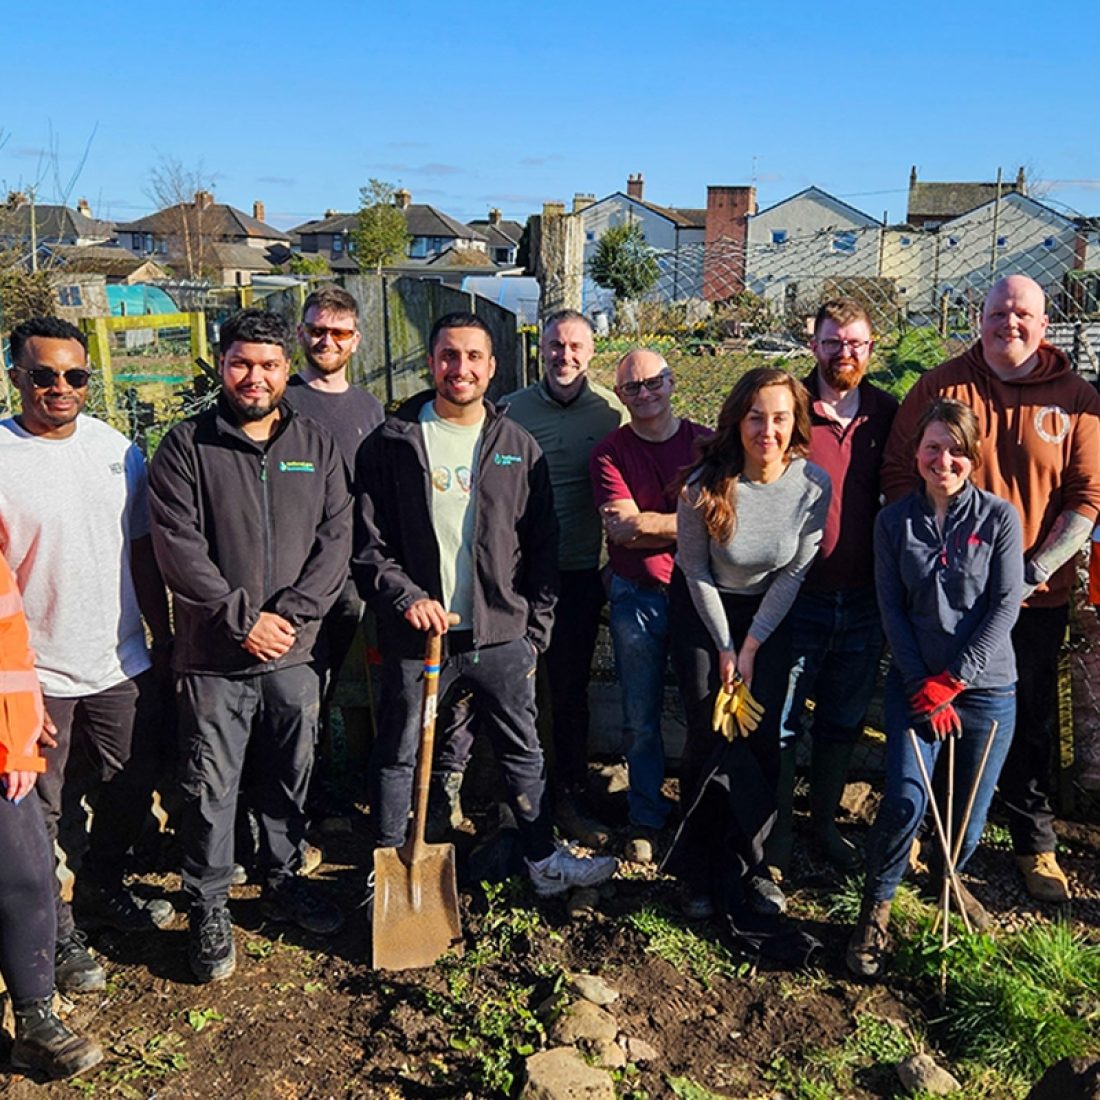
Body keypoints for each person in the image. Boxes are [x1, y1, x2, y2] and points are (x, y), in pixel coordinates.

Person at [353, 311, 616, 897]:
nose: (461, 368)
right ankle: (393, 872)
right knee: (398, 752)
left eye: (474, 357)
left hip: (500, 637)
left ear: (493, 368)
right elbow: (366, 545)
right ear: (431, 362)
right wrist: (407, 599)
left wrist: (533, 632)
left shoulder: (515, 446)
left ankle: (545, 862)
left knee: (524, 750)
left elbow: (543, 546)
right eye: (449, 355)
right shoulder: (393, 443)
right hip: (419, 638)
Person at [880, 275, 1100, 903]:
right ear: (979, 318)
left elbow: (1086, 498)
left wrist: (1031, 570)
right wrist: (926, 556)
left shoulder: (1075, 398)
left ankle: (1034, 842)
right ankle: (923, 831)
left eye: (1022, 313)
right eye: (999, 312)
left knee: (1025, 718)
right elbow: (901, 472)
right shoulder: (940, 386)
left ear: (1045, 322)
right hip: (941, 600)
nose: (1010, 323)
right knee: (933, 710)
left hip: (1033, 597)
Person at [149, 308, 352, 983]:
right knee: (211, 783)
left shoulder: (316, 445)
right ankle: (207, 905)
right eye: (241, 363)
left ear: (285, 368)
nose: (254, 377)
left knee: (289, 773)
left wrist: (289, 617)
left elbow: (336, 540)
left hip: (293, 654)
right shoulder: (186, 447)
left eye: (267, 365)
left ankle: (284, 876)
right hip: (214, 658)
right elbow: (179, 550)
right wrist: (243, 620)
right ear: (221, 364)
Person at [0, 316, 174, 999]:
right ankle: (59, 928)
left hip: (119, 659)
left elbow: (141, 551)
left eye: (75, 376)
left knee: (132, 778)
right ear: (17, 375)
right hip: (36, 673)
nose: (60, 388)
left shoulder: (115, 450)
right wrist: (15, 693)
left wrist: (159, 639)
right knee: (41, 810)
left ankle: (104, 884)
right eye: (44, 375)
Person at [848, 399, 1023, 977]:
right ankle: (878, 904)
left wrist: (957, 679)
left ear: (972, 457)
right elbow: (891, 609)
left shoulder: (998, 518)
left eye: (955, 449)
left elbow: (1003, 605)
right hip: (916, 685)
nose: (943, 459)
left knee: (966, 817)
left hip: (985, 689)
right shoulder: (892, 522)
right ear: (916, 452)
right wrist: (923, 681)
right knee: (903, 799)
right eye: (932, 447)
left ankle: (950, 878)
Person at [664, 368, 830, 927]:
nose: (768, 429)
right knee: (708, 733)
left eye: (780, 417)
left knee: (760, 739)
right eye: (756, 416)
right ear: (737, 421)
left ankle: (753, 863)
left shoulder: (813, 486)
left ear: (796, 422)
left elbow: (793, 573)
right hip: (703, 611)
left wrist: (753, 644)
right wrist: (726, 648)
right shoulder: (702, 485)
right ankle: (696, 866)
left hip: (768, 615)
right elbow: (694, 569)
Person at [771, 300, 897, 873]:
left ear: (872, 350)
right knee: (781, 721)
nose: (843, 353)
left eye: (855, 343)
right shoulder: (788, 407)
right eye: (832, 342)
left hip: (865, 598)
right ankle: (772, 834)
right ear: (813, 344)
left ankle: (823, 824)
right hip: (796, 595)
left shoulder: (887, 414)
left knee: (842, 721)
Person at [500, 310, 625, 842]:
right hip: (515, 575)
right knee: (512, 688)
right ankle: (513, 799)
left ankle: (569, 790)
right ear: (540, 349)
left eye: (576, 346)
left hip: (575, 573)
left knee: (569, 690)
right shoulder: (510, 411)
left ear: (592, 352)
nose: (565, 356)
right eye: (555, 345)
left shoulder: (612, 413)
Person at [590, 349, 711, 864]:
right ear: (619, 396)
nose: (645, 393)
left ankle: (701, 813)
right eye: (633, 388)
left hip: (699, 596)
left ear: (672, 380)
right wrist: (691, 519)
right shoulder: (609, 453)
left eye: (653, 382)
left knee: (704, 710)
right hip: (636, 596)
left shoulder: (706, 443)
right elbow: (622, 528)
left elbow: (727, 517)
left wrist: (653, 522)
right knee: (639, 716)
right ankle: (646, 813)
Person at [0, 551, 103, 1079]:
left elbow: (9, 643)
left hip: (4, 751)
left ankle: (36, 1022)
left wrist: (17, 738)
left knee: (28, 877)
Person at [285, 285, 384, 831]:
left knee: (342, 690)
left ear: (355, 341)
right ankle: (297, 799)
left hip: (353, 575)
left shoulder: (368, 407)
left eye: (338, 333)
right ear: (301, 334)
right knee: (297, 691)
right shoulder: (284, 400)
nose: (326, 341)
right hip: (294, 575)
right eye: (317, 331)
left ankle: (343, 787)